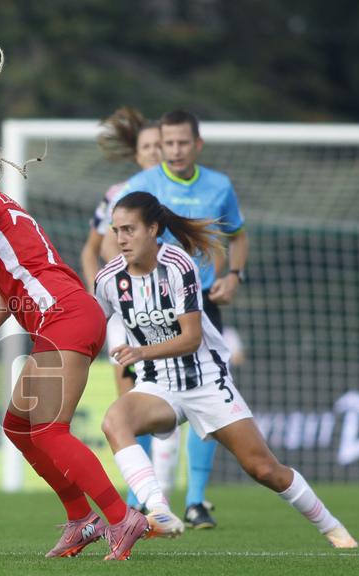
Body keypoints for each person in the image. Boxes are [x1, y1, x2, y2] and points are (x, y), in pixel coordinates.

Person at [0, 34, 181, 560]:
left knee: (52, 430)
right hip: (62, 317)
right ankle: (81, 519)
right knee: (20, 426)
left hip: (67, 317)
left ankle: (123, 517)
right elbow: (2, 303)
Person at [96, 191, 358, 549]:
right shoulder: (109, 279)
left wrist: (141, 351)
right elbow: (92, 327)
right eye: (116, 231)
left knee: (264, 469)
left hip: (206, 381)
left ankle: (333, 528)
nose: (121, 239)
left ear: (153, 229)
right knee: (114, 421)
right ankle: (159, 510)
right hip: (157, 384)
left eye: (129, 229)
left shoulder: (178, 265)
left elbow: (191, 338)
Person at [105, 109, 247, 529]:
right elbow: (109, 240)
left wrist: (234, 275)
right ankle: (139, 500)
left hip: (200, 305)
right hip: (147, 309)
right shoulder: (139, 186)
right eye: (168, 143)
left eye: (183, 142)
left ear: (197, 144)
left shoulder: (219, 185)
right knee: (140, 400)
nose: (175, 150)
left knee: (209, 399)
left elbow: (237, 235)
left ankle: (196, 500)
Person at [80, 107, 184, 507]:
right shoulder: (118, 196)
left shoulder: (178, 195)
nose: (156, 152)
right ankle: (141, 496)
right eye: (148, 147)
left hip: (170, 311)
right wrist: (100, 298)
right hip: (126, 314)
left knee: (174, 398)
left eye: (160, 146)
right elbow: (93, 249)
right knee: (131, 400)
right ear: (137, 154)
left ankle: (176, 498)